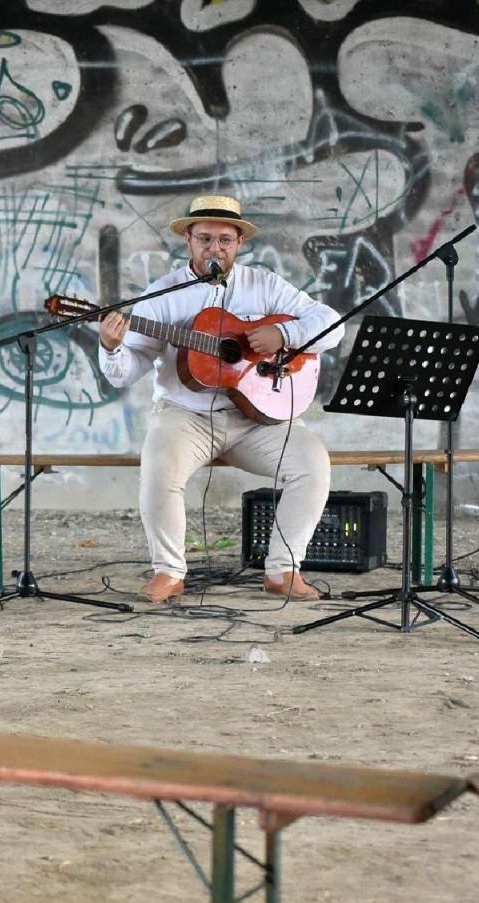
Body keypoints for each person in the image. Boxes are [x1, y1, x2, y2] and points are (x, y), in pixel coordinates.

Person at [97, 194, 343, 603]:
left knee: (312, 465)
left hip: (257, 417)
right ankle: (169, 572)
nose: (215, 249)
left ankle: (283, 571)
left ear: (239, 243)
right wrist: (110, 346)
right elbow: (124, 373)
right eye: (205, 239)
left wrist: (284, 334)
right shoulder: (161, 295)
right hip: (186, 415)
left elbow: (331, 324)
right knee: (159, 470)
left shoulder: (264, 284)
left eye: (225, 240)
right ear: (189, 241)